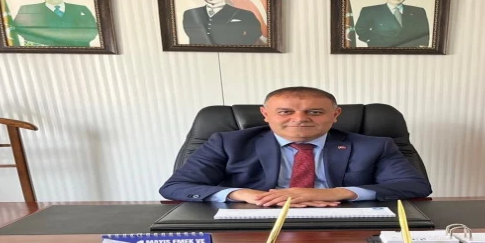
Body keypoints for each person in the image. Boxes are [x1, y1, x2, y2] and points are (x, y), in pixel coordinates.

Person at [159, 87, 432, 207]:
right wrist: (243, 194)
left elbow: (414, 186)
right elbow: (176, 187)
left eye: (315, 112)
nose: (299, 119)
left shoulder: (373, 145)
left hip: (343, 220)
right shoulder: (228, 142)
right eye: (285, 112)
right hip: (254, 219)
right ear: (265, 114)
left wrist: (335, 193)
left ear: (335, 115)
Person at [12, 0, 98, 47]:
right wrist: (42, 43)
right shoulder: (28, 9)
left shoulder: (80, 8)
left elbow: (93, 27)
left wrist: (81, 41)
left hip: (78, 47)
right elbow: (20, 28)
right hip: (45, 48)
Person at [182, 0, 262, 45]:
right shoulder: (190, 13)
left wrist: (237, 46)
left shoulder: (245, 14)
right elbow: (192, 33)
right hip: (201, 52)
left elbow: (255, 33)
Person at [354, 0, 430, 48]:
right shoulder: (370, 10)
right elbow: (361, 28)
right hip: (381, 47)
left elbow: (423, 29)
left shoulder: (418, 11)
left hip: (409, 47)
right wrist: (370, 40)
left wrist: (423, 44)